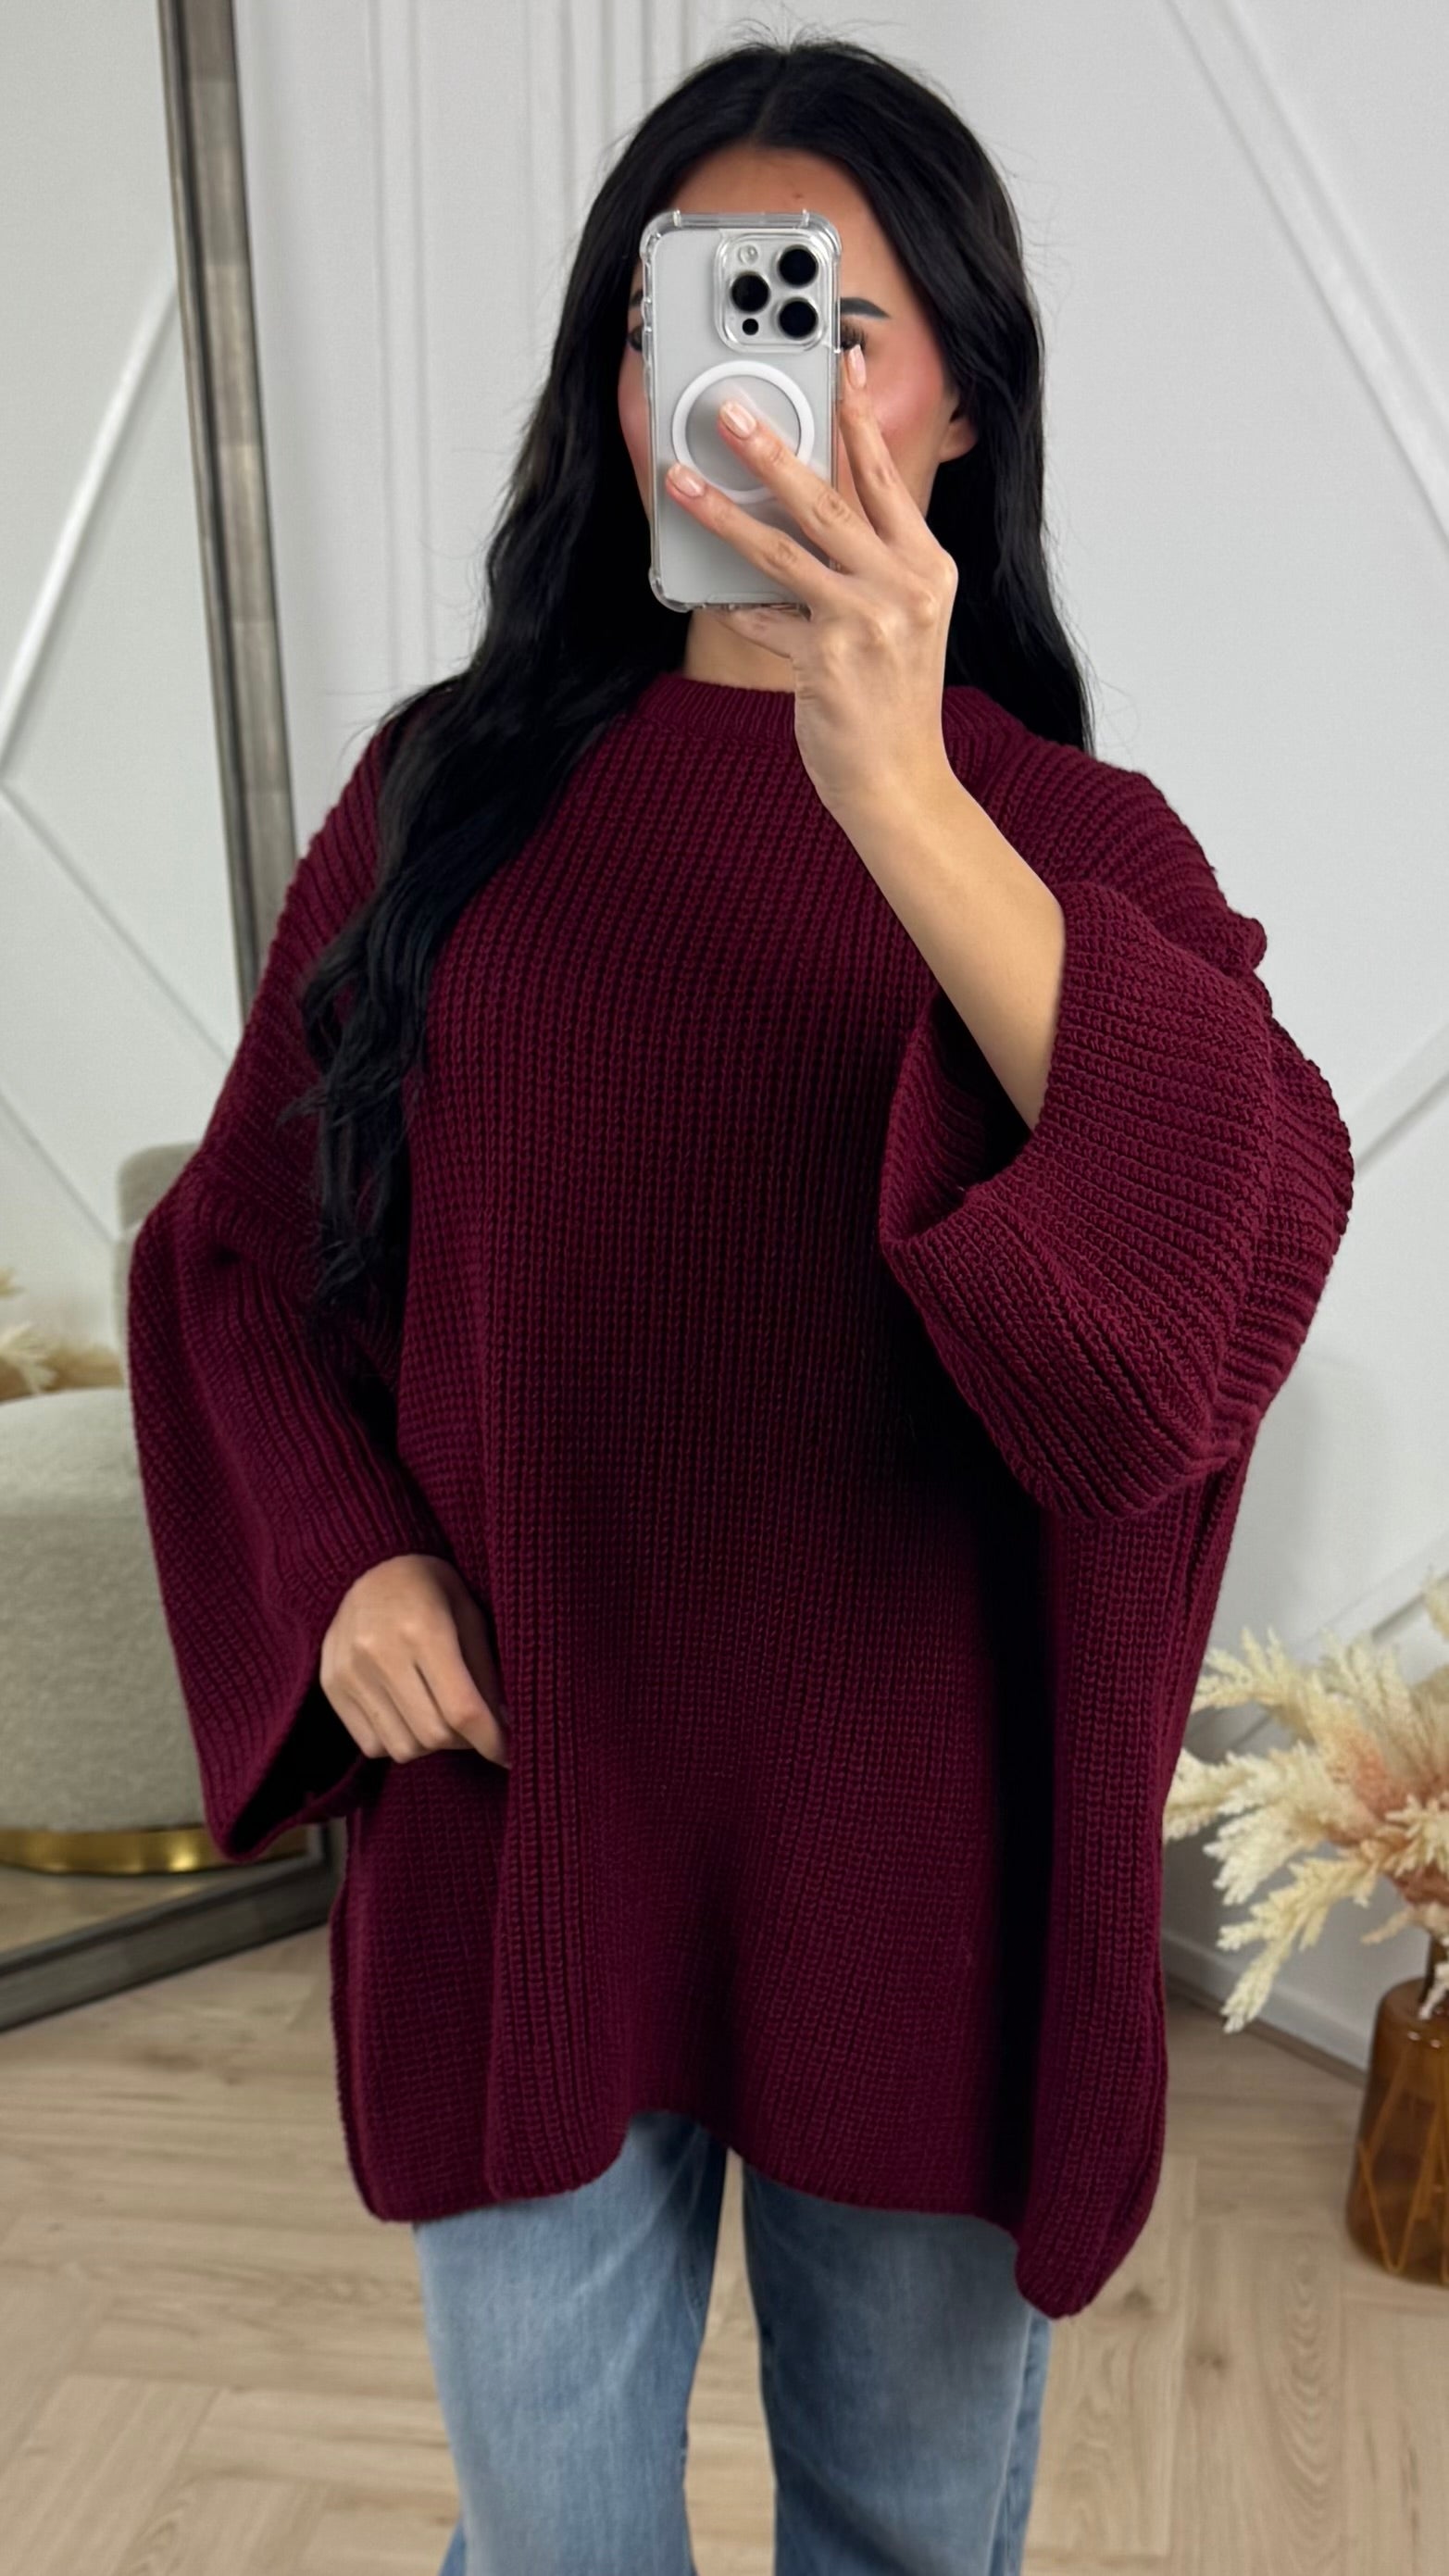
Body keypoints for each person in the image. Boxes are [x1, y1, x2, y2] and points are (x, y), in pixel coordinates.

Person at [126, 34, 1355, 2576]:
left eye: (834, 319)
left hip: (924, 1874)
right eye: (684, 312)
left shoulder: (1066, 839)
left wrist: (891, 788)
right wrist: (339, 1554)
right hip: (523, 1825)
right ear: (622, 376)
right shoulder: (448, 796)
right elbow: (237, 1245)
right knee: (549, 2551)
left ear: (964, 401)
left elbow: (1215, 1272)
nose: (751, 380)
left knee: (902, 2539)